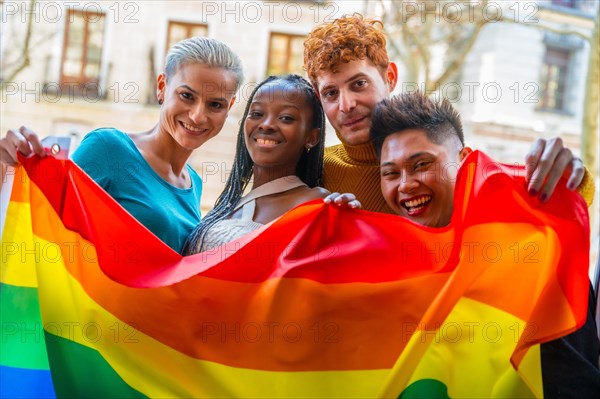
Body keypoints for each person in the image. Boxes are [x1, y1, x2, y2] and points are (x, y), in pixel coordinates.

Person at [370, 91, 600, 397]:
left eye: (422, 164)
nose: (405, 184)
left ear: (465, 161)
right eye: (390, 173)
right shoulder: (389, 273)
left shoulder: (534, 261)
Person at [303, 13, 594, 213]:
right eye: (331, 93)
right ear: (320, 98)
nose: (346, 104)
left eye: (359, 84)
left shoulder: (442, 160)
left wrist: (568, 174)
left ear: (390, 77)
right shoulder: (313, 172)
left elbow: (554, 199)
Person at [0, 37, 244, 253]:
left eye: (215, 105)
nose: (198, 116)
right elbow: (44, 220)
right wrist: (7, 167)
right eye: (187, 96)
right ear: (162, 87)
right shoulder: (108, 148)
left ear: (229, 108)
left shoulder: (195, 183)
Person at [183, 74, 360, 254]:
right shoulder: (229, 205)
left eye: (286, 118)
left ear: (312, 137)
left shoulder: (316, 204)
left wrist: (348, 222)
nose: (266, 125)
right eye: (257, 114)